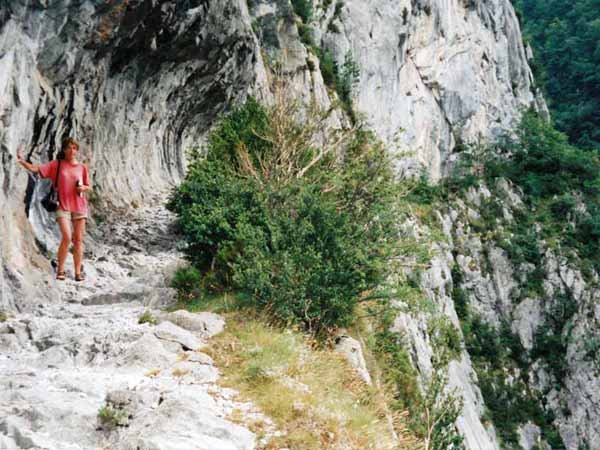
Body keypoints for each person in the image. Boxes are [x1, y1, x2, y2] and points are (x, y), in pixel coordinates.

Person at [16, 138, 92, 281]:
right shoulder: (57, 165)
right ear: (64, 150)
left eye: (74, 148)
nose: (72, 151)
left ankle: (77, 272)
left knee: (78, 240)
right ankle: (61, 270)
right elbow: (36, 169)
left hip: (79, 206)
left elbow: (88, 186)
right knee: (67, 237)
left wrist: (83, 188)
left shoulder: (82, 167)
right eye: (69, 148)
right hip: (62, 205)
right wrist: (21, 160)